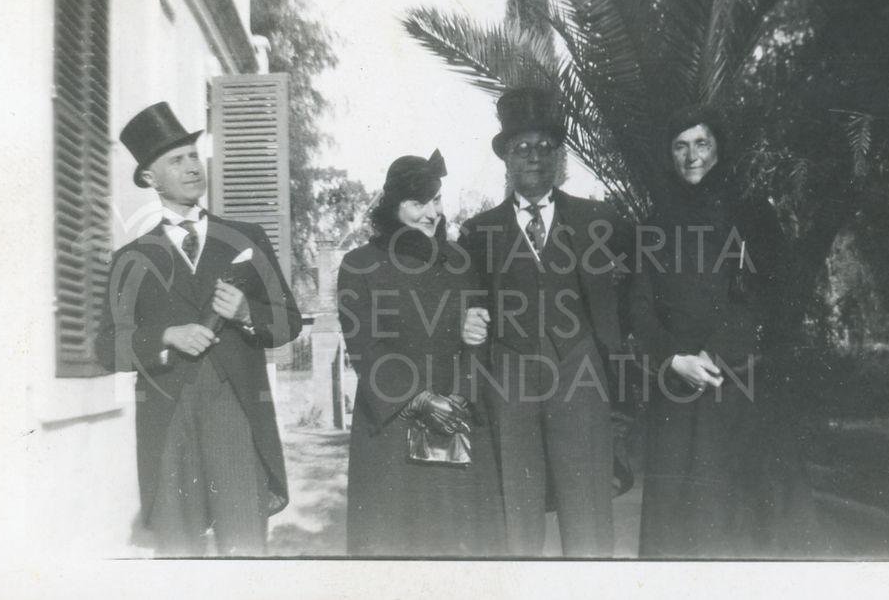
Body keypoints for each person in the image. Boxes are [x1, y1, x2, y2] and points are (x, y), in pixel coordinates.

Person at [96, 102, 301, 556]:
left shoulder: (246, 236)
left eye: (193, 156)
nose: (192, 167)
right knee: (178, 553)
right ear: (150, 179)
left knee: (244, 547)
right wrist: (166, 338)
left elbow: (289, 321)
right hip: (167, 418)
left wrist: (249, 313)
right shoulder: (131, 258)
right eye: (176, 160)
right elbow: (106, 347)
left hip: (235, 410)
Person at [629, 105, 822, 558]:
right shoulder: (653, 223)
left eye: (701, 143)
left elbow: (780, 295)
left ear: (718, 148)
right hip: (677, 395)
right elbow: (638, 307)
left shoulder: (753, 214)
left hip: (742, 391)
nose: (691, 155)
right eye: (680, 146)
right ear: (668, 154)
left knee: (748, 529)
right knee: (679, 534)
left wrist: (720, 354)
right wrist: (673, 359)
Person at [459, 87, 631, 557]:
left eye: (544, 147)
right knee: (517, 518)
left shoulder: (598, 218)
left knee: (589, 517)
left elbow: (640, 281)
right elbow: (467, 304)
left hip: (581, 375)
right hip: (510, 384)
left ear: (558, 156)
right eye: (521, 148)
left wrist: (610, 344)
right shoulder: (479, 231)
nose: (533, 156)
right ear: (506, 160)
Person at [336, 150, 506, 557]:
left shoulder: (461, 261)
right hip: (392, 429)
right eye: (418, 202)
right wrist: (419, 398)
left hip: (457, 420)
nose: (432, 213)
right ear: (393, 207)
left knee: (461, 550)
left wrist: (460, 392)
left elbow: (479, 338)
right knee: (395, 550)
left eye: (437, 199)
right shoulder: (360, 264)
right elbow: (365, 348)